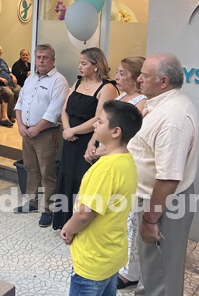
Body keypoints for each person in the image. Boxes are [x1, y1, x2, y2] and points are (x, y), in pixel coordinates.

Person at [127, 54, 198, 296]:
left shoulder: (172, 118)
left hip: (163, 205)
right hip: (154, 201)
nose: (138, 79)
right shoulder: (159, 105)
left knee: (161, 274)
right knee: (151, 267)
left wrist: (150, 220)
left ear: (164, 81)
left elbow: (168, 179)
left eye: (144, 75)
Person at [61, 100, 142, 296]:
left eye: (100, 121)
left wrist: (68, 230)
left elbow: (85, 213)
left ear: (115, 132)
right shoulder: (127, 161)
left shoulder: (106, 169)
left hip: (93, 258)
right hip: (111, 253)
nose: (95, 124)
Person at [53, 47, 117, 230]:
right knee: (66, 174)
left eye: (84, 63)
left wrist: (74, 131)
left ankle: (80, 223)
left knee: (83, 179)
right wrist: (67, 129)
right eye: (79, 63)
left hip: (88, 140)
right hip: (69, 138)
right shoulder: (78, 82)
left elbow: (99, 118)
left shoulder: (107, 88)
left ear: (96, 65)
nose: (79, 67)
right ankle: (64, 221)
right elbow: (65, 108)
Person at [14, 43, 69, 228]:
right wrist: (20, 125)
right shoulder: (31, 79)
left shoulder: (59, 81)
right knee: (31, 168)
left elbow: (54, 111)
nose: (41, 61)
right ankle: (32, 202)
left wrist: (36, 129)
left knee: (47, 172)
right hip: (27, 132)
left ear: (53, 60)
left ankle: (48, 209)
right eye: (38, 57)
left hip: (45, 133)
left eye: (45, 57)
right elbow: (19, 103)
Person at [110, 56, 147, 289]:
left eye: (122, 73)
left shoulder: (142, 103)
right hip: (112, 161)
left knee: (131, 218)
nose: (116, 77)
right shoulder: (119, 97)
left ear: (135, 78)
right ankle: (117, 259)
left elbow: (131, 137)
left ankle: (129, 272)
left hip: (128, 163)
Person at [0, 44, 21, 122]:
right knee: (10, 94)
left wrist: (13, 76)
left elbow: (8, 72)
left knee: (21, 91)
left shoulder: (2, 61)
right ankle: (9, 116)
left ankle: (19, 114)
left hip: (11, 83)